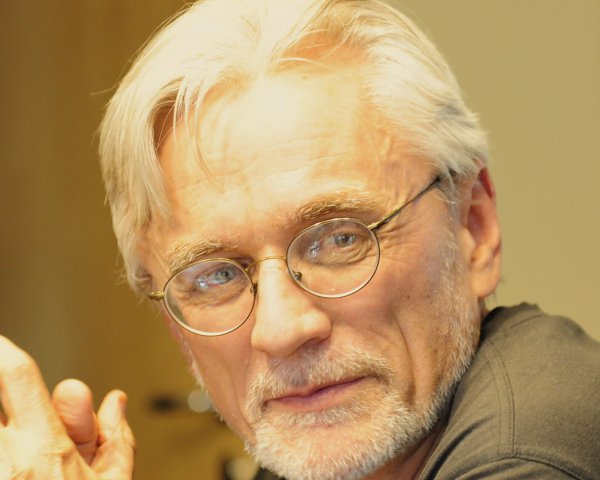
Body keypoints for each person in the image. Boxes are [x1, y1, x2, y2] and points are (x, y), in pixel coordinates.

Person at [1, 0, 599, 478]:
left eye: (338, 240)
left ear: (473, 228)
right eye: (216, 275)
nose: (281, 330)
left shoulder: (531, 453)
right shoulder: (343, 455)